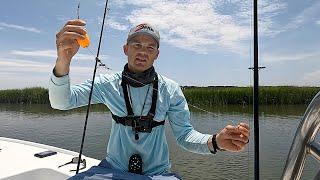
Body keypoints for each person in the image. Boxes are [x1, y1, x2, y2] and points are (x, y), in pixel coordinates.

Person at [50, 19, 250, 180]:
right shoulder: (107, 84)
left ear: (157, 54)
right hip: (112, 170)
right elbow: (62, 102)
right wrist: (63, 60)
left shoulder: (170, 89)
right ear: (126, 49)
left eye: (150, 47)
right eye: (136, 45)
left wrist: (216, 141)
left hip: (158, 174)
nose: (143, 52)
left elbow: (185, 136)